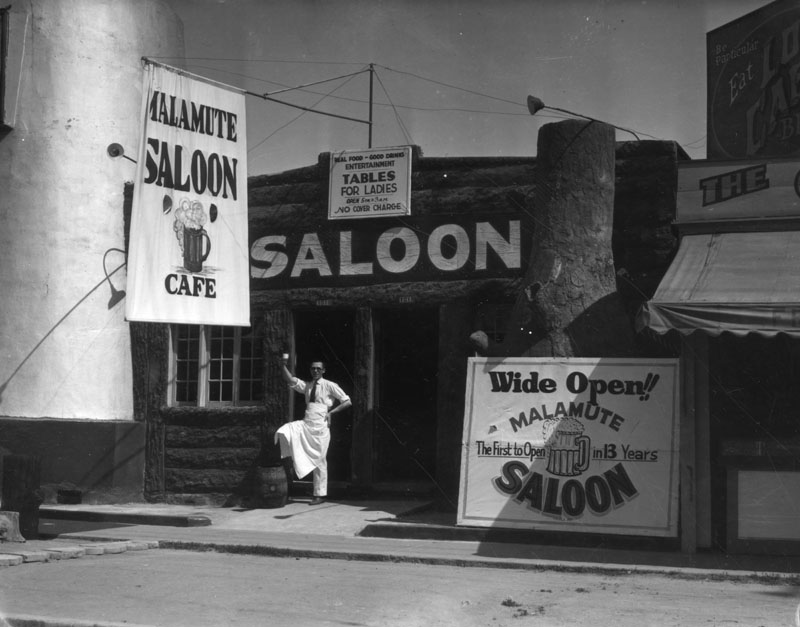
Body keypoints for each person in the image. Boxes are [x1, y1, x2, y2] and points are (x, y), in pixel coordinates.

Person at [275, 356, 352, 505]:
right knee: (285, 431)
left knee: (320, 460)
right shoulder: (308, 386)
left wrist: (331, 413)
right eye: (313, 368)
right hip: (307, 424)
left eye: (318, 368)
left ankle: (319, 494)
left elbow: (347, 401)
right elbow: (290, 379)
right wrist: (283, 365)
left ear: (323, 370)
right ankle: (296, 468)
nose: (315, 370)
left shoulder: (330, 385)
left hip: (321, 426)